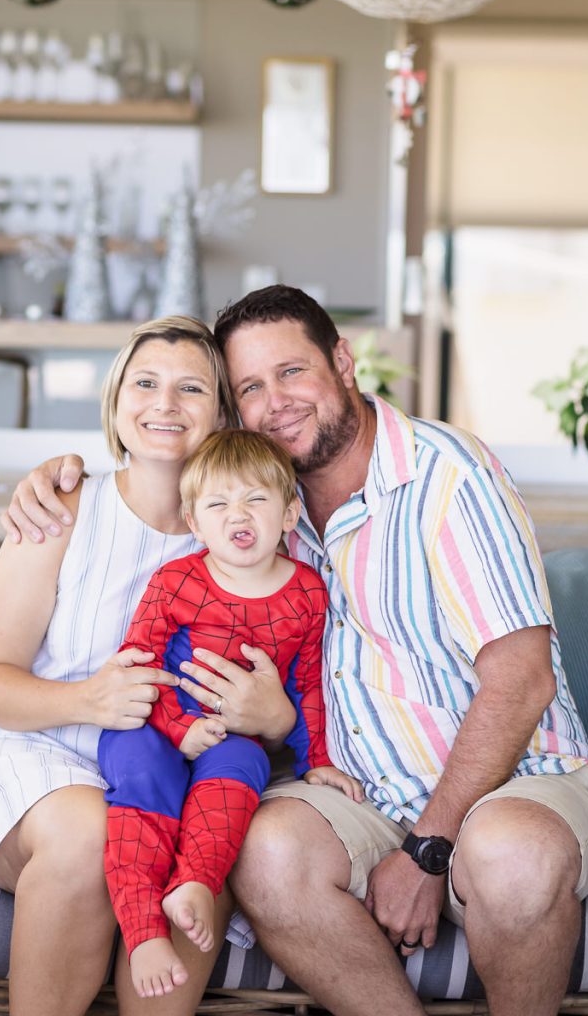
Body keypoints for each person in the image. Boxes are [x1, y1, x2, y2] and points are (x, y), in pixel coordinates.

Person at [2, 284, 588, 1016]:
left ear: (342, 362)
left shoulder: (447, 477)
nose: (275, 401)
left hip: (509, 781)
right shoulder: (255, 509)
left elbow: (520, 682)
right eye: (249, 387)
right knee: (262, 849)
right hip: (365, 791)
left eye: (291, 372)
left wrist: (427, 850)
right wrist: (54, 474)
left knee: (510, 853)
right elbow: (146, 481)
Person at [0, 316, 303, 1016]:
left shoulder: (250, 530)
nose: (164, 404)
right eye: (144, 383)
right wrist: (89, 701)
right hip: (35, 757)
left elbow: (281, 695)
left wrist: (274, 718)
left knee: (199, 849)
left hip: (171, 766)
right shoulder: (63, 504)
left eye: (191, 389)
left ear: (219, 414)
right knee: (90, 829)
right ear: (116, 401)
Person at [101, 427, 362, 999]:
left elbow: (310, 683)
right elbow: (136, 663)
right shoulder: (177, 581)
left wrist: (316, 757)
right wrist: (180, 727)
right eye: (218, 503)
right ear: (195, 522)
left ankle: (195, 881)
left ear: (290, 513)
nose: (236, 515)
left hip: (233, 737)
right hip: (154, 723)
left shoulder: (307, 594)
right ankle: (144, 930)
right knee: (144, 784)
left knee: (244, 768)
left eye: (256, 499)